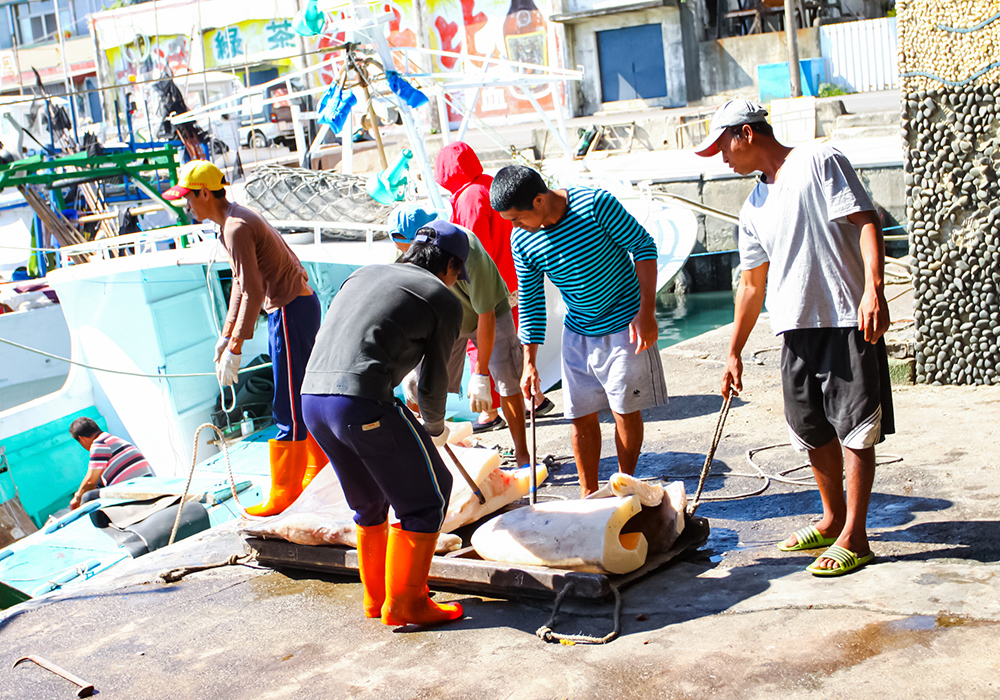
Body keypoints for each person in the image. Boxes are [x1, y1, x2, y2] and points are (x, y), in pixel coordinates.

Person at [695, 98, 893, 577]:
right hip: (794, 327)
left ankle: (857, 537)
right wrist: (733, 351)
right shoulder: (752, 205)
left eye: (723, 146)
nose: (722, 159)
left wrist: (874, 290)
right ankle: (832, 518)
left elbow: (866, 221)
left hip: (847, 318)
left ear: (745, 133)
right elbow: (751, 283)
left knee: (855, 428)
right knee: (810, 430)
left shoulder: (818, 160)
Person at [301, 223, 468, 627]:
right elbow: (433, 382)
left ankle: (377, 599)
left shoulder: (363, 273)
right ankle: (407, 602)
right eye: (456, 273)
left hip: (312, 401)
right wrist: (435, 426)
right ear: (449, 265)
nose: (453, 281)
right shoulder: (442, 298)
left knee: (369, 503)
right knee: (430, 496)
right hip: (361, 401)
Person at [490, 165, 668, 497]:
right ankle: (588, 496)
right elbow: (531, 300)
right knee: (579, 416)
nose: (513, 227)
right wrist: (529, 364)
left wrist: (647, 313)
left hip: (625, 322)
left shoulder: (596, 205)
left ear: (539, 200)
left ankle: (623, 488)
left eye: (516, 218)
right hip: (578, 330)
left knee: (624, 411)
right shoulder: (523, 239)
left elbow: (644, 248)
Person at [163, 160, 325, 516]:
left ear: (205, 193)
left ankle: (286, 493)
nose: (186, 206)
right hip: (292, 308)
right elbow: (240, 283)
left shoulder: (235, 227)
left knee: (288, 406)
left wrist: (236, 346)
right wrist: (226, 336)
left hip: (288, 310)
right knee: (299, 398)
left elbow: (252, 290)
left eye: (188, 198)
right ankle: (316, 473)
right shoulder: (231, 223)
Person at [389, 207, 532, 468]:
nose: (405, 255)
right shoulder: (405, 257)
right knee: (419, 385)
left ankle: (524, 458)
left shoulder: (468, 252)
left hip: (487, 313)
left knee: (508, 383)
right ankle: (440, 458)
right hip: (444, 318)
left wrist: (481, 373)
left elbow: (486, 315)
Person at [434, 141, 555, 427]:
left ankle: (489, 411)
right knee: (512, 346)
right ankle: (534, 399)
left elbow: (472, 247)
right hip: (512, 279)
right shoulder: (490, 185)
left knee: (483, 345)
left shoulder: (468, 197)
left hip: (488, 286)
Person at [68, 417, 154, 509]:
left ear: (82, 439)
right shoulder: (112, 439)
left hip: (131, 491)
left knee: (87, 497)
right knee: (99, 481)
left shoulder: (99, 444)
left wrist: (77, 497)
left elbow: (90, 481)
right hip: (146, 484)